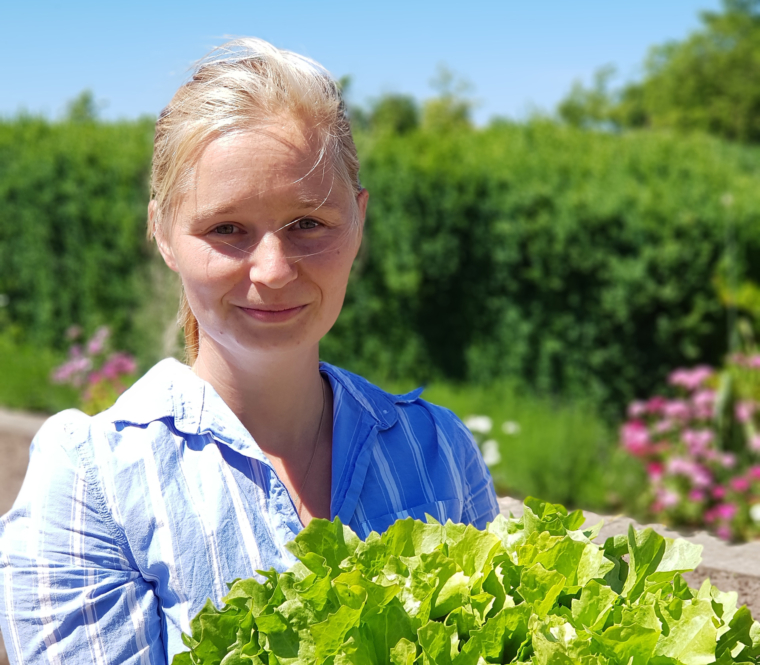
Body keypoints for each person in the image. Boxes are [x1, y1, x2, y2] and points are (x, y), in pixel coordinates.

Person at [0, 38, 499, 664]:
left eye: (308, 224)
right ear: (163, 233)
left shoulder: (438, 452)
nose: (274, 269)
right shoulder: (92, 484)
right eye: (227, 229)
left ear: (359, 221)